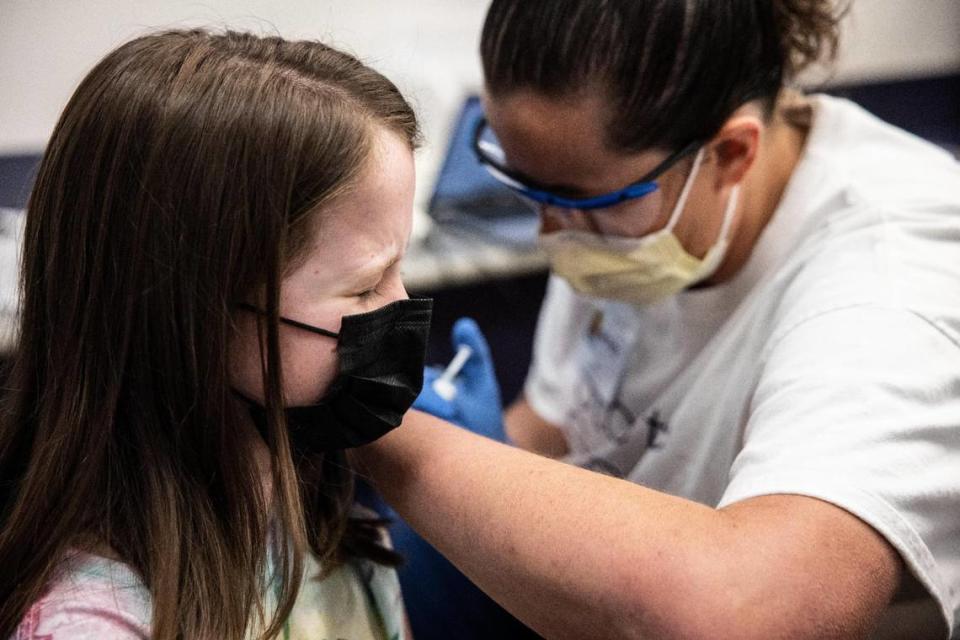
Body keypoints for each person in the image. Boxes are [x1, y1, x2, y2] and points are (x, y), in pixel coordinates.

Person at [365, 1, 960, 638]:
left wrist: (395, 443)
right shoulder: (643, 198)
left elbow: (753, 616)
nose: (551, 234)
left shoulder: (889, 286)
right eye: (527, 188)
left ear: (730, 154)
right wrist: (476, 446)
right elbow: (564, 423)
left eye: (573, 200)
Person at [0, 29, 430, 640]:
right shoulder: (93, 625)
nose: (403, 308)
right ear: (198, 313)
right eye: (365, 287)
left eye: (399, 269)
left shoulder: (318, 500)